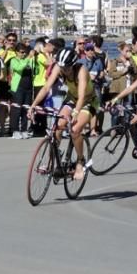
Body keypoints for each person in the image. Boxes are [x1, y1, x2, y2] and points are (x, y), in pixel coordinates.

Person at [29, 48, 97, 181]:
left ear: (73, 65)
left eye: (67, 68)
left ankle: (80, 161)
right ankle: (53, 159)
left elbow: (82, 96)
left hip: (88, 101)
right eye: (62, 67)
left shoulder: (81, 70)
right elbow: (46, 87)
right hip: (72, 98)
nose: (64, 70)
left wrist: (76, 113)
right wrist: (34, 105)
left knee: (75, 129)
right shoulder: (59, 67)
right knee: (57, 127)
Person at [8, 42, 35, 138]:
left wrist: (31, 59)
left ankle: (24, 129)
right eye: (21, 52)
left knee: (26, 109)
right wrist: (28, 58)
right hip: (18, 87)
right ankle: (15, 130)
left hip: (28, 87)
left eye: (25, 52)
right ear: (16, 52)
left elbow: (34, 70)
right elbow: (19, 68)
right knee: (16, 109)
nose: (23, 54)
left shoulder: (27, 60)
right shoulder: (14, 60)